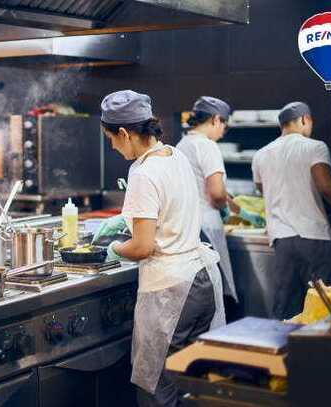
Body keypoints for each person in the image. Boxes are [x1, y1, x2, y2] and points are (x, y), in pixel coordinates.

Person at [95, 90, 225, 407]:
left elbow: (142, 247)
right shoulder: (173, 155)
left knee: (157, 388)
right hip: (202, 279)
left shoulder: (142, 172)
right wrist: (126, 220)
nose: (112, 146)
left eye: (111, 138)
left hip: (171, 291)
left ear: (124, 133)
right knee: (189, 384)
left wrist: (114, 247)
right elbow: (169, 210)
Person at [252, 101, 331, 320]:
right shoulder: (314, 147)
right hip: (313, 238)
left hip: (282, 240)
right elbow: (326, 186)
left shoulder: (261, 154)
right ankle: (322, 354)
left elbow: (263, 190)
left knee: (286, 311)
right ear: (304, 120)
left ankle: (286, 353)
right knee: (325, 308)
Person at [176, 96, 238, 309]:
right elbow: (216, 192)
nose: (223, 130)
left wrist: (229, 201)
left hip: (188, 225)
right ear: (215, 119)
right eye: (224, 124)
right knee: (216, 288)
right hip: (208, 226)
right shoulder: (208, 146)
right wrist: (225, 208)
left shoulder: (182, 144)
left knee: (200, 289)